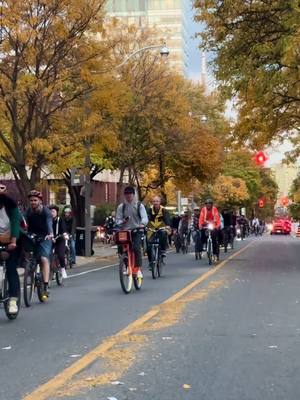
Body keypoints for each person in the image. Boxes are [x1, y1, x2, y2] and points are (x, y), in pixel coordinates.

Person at [25, 190, 53, 300]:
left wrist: (50, 234)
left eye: (35, 200)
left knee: (44, 259)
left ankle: (45, 285)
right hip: (32, 236)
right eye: (31, 200)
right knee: (29, 256)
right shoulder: (28, 211)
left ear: (40, 201)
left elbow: (49, 222)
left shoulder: (46, 211)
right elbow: (23, 222)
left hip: (45, 237)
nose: (33, 202)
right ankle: (29, 272)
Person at [115, 186, 148, 278]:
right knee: (122, 249)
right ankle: (127, 266)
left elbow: (145, 218)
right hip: (125, 231)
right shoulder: (121, 207)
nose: (128, 196)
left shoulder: (139, 206)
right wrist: (122, 221)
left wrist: (142, 224)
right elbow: (117, 220)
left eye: (130, 194)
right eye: (126, 194)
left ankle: (137, 269)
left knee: (136, 248)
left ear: (133, 195)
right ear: (124, 196)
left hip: (137, 230)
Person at [0, 184, 21, 314]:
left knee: (11, 269)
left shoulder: (11, 207)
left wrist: (13, 242)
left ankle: (13, 300)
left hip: (12, 239)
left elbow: (15, 223)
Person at [147, 196, 171, 268]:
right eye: (154, 201)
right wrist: (145, 225)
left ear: (160, 202)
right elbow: (147, 218)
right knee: (149, 245)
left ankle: (163, 250)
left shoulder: (164, 210)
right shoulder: (149, 210)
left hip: (161, 227)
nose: (155, 203)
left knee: (163, 234)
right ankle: (151, 262)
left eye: (157, 201)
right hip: (151, 228)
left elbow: (167, 219)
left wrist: (167, 225)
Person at [49, 205, 68, 279]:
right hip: (51, 240)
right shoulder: (48, 220)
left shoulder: (60, 220)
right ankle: (52, 271)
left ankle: (63, 269)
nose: (52, 213)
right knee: (48, 256)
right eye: (50, 212)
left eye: (53, 211)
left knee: (60, 255)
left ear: (57, 212)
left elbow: (63, 230)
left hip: (60, 240)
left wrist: (61, 235)